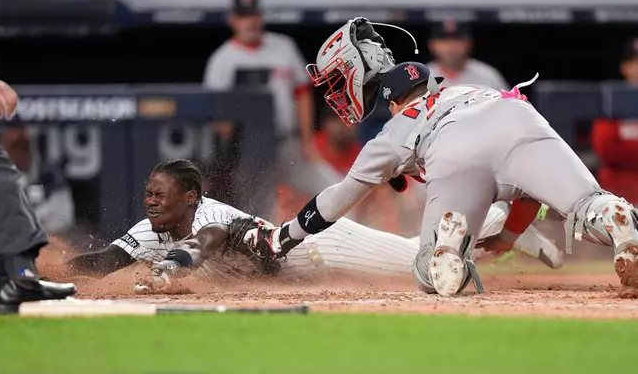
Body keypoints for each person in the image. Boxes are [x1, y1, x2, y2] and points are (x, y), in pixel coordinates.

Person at [248, 18, 638, 297]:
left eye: (337, 81)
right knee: (585, 205)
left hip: (450, 146)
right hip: (513, 113)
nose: (335, 92)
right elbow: (527, 193)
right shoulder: (470, 88)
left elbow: (337, 200)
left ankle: (447, 246)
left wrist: (283, 237)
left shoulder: (394, 132)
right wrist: (510, 236)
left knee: (428, 273)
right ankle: (614, 219)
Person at [66, 158, 561, 290]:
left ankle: (509, 209)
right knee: (425, 254)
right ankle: (500, 231)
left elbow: (206, 241)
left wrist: (167, 273)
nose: (150, 200)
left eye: (160, 193)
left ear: (190, 197)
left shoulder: (210, 215)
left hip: (322, 249)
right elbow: (106, 261)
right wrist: (54, 272)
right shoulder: (150, 228)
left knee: (422, 256)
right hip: (295, 265)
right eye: (149, 192)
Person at [202, 0, 340, 219]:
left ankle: (353, 237)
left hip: (288, 142)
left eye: (255, 15)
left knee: (332, 186)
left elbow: (302, 92)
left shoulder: (283, 46)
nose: (251, 21)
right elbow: (216, 115)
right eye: (244, 16)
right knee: (256, 212)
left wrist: (307, 139)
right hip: (249, 151)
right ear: (233, 20)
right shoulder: (222, 59)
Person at [0, 77, 76, 312]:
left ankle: (15, 278)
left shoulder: (48, 174)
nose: (17, 136)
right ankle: (22, 277)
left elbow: (64, 218)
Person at [427, 19, 508, 90]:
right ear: (432, 45)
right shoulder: (422, 78)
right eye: (444, 41)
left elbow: (509, 104)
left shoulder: (487, 75)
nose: (450, 46)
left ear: (469, 44)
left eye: (457, 40)